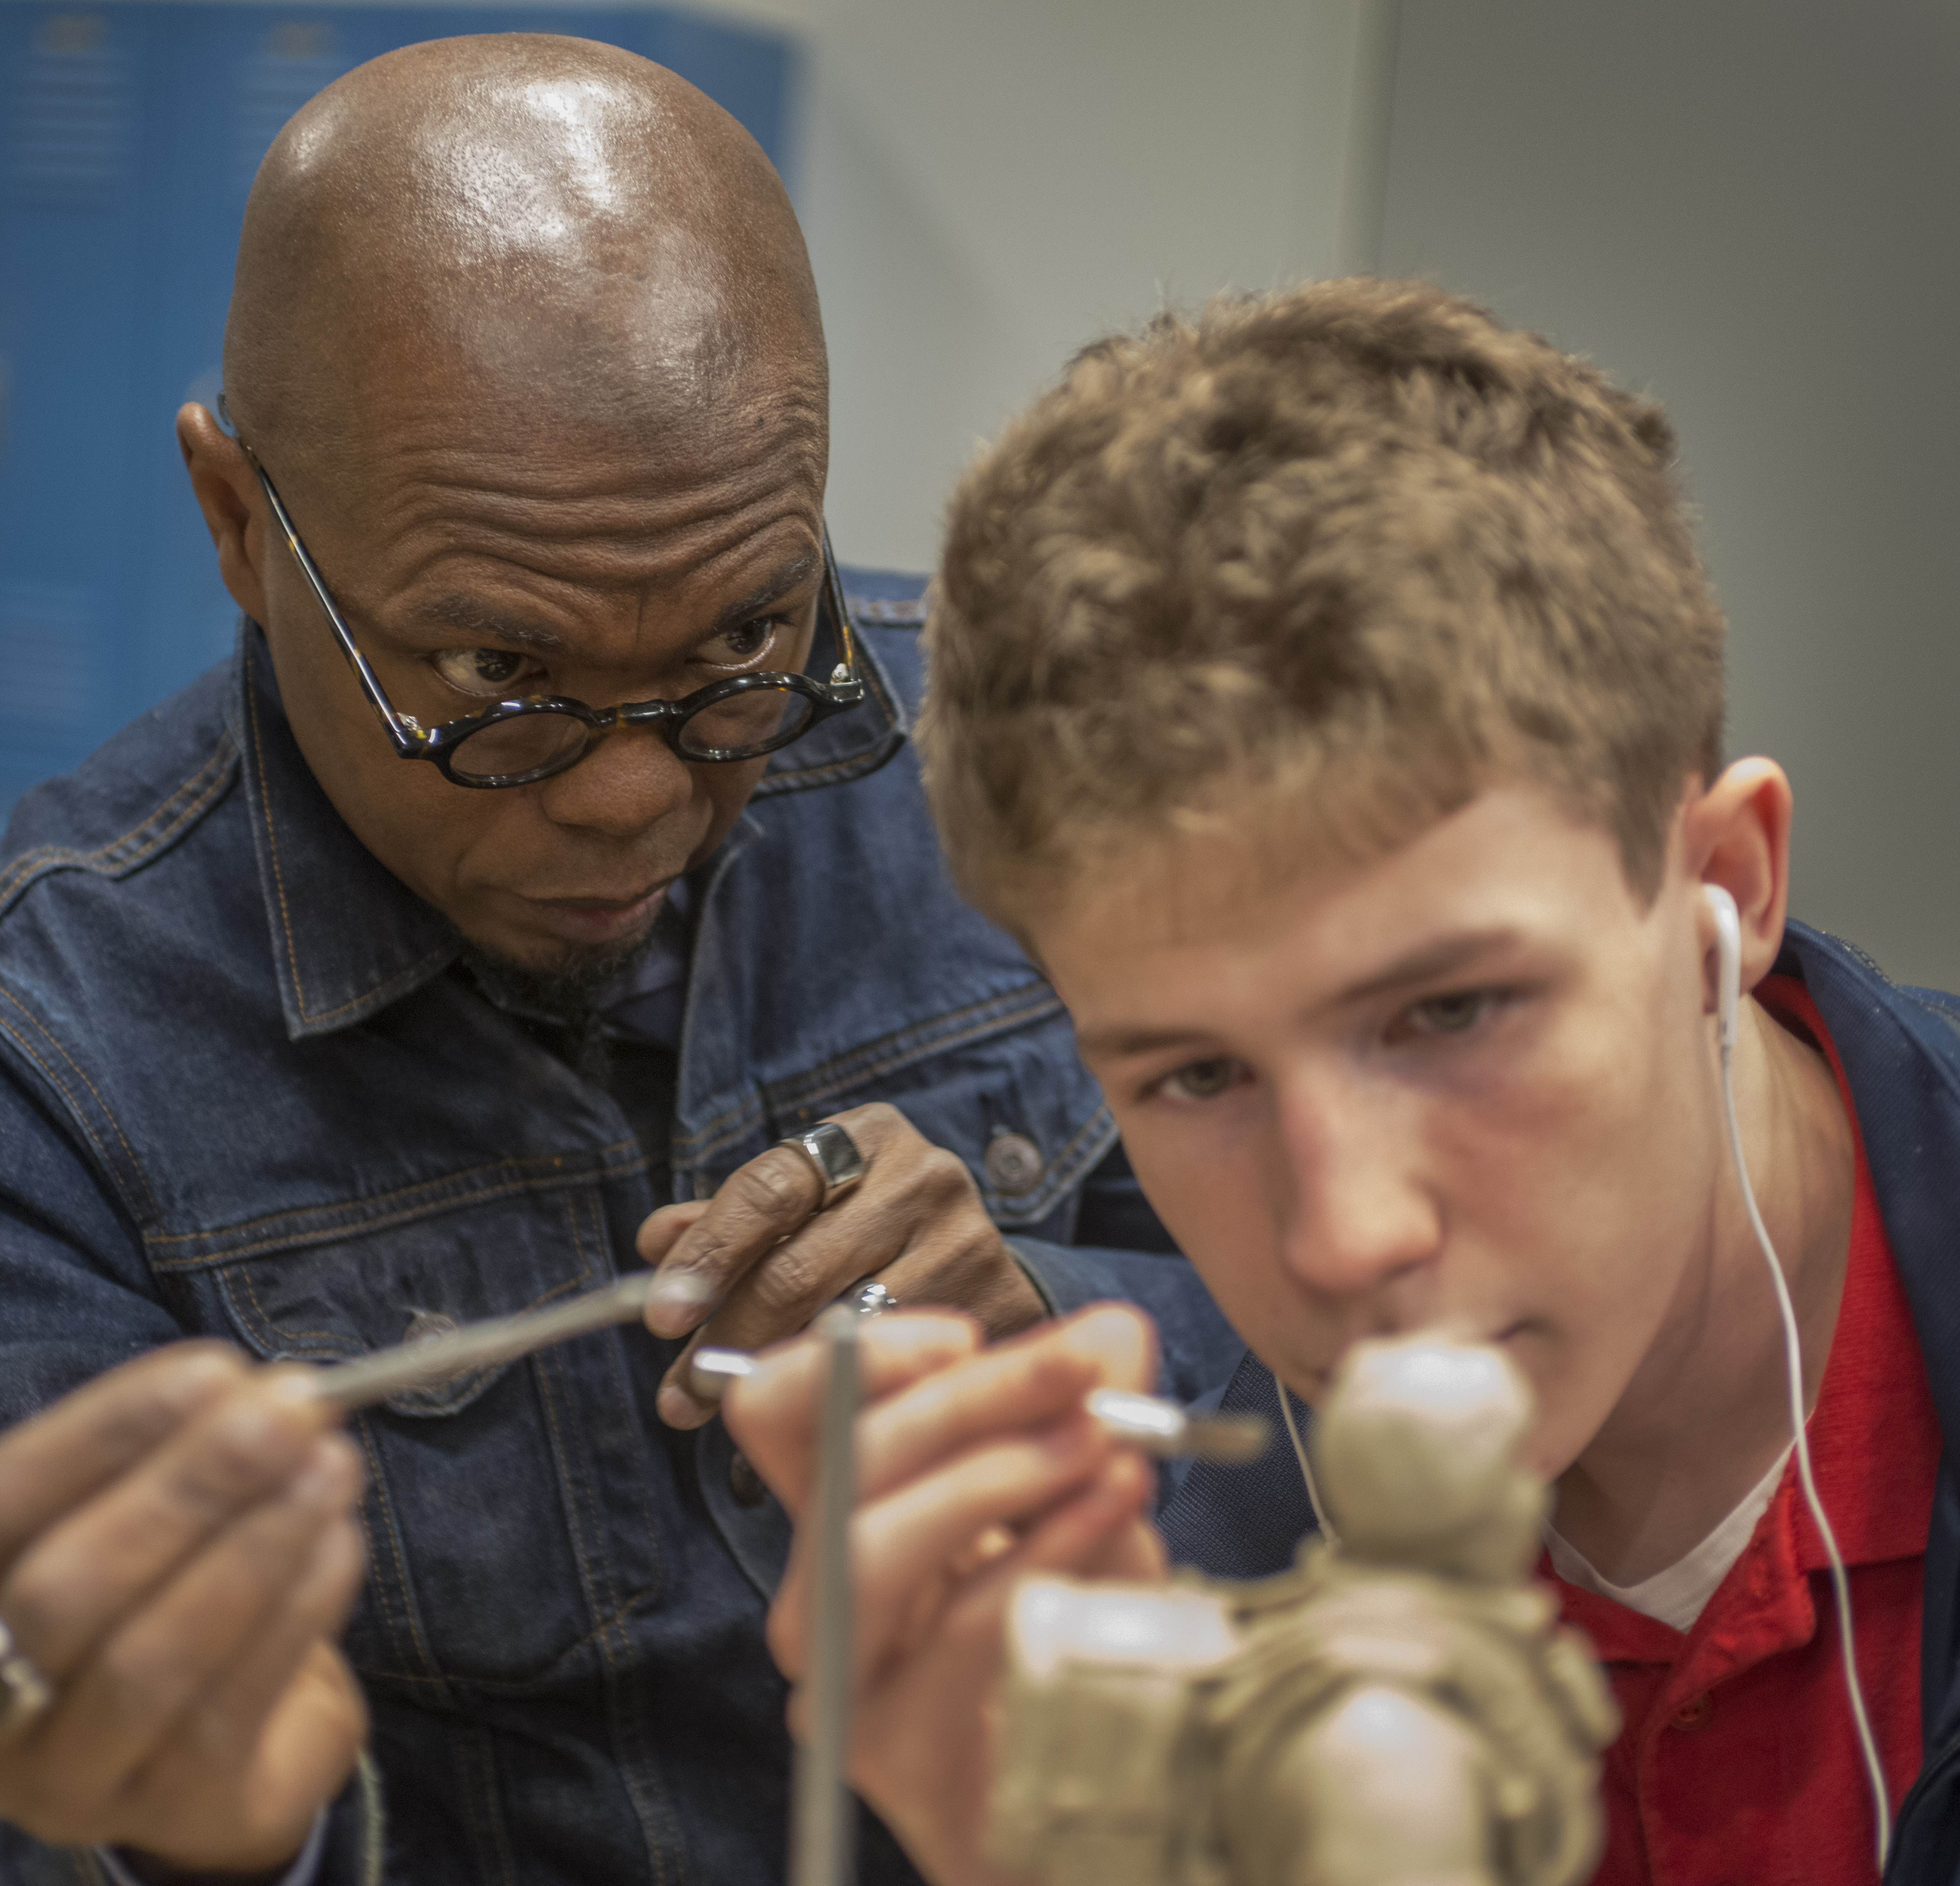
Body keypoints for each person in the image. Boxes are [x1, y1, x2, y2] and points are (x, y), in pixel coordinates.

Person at [0, 36, 1238, 1886]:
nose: (640, 795)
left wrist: (1054, 1331)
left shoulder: (1030, 752)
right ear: (242, 525)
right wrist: (175, 1828)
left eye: (739, 634)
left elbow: (1384, 1373)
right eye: (497, 676)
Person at [723, 279, 1960, 1886]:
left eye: (1448, 1008)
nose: (1343, 1236)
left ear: (1723, 879)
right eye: (1193, 1074)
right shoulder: (1114, 1598)